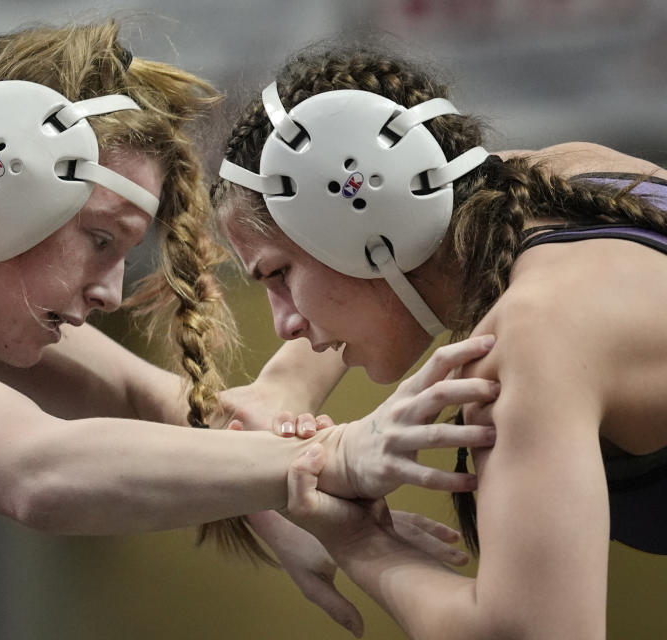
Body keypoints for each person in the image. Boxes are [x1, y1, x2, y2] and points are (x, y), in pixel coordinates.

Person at [0, 19, 498, 594]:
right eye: (100, 241)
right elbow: (36, 474)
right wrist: (329, 460)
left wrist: (296, 506)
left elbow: (159, 406)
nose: (111, 292)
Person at [215, 41, 667, 638]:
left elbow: (524, 634)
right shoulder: (565, 177)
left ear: (366, 230)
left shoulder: (531, 339)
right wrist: (280, 387)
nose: (284, 324)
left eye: (278, 276)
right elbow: (399, 199)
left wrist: (353, 536)